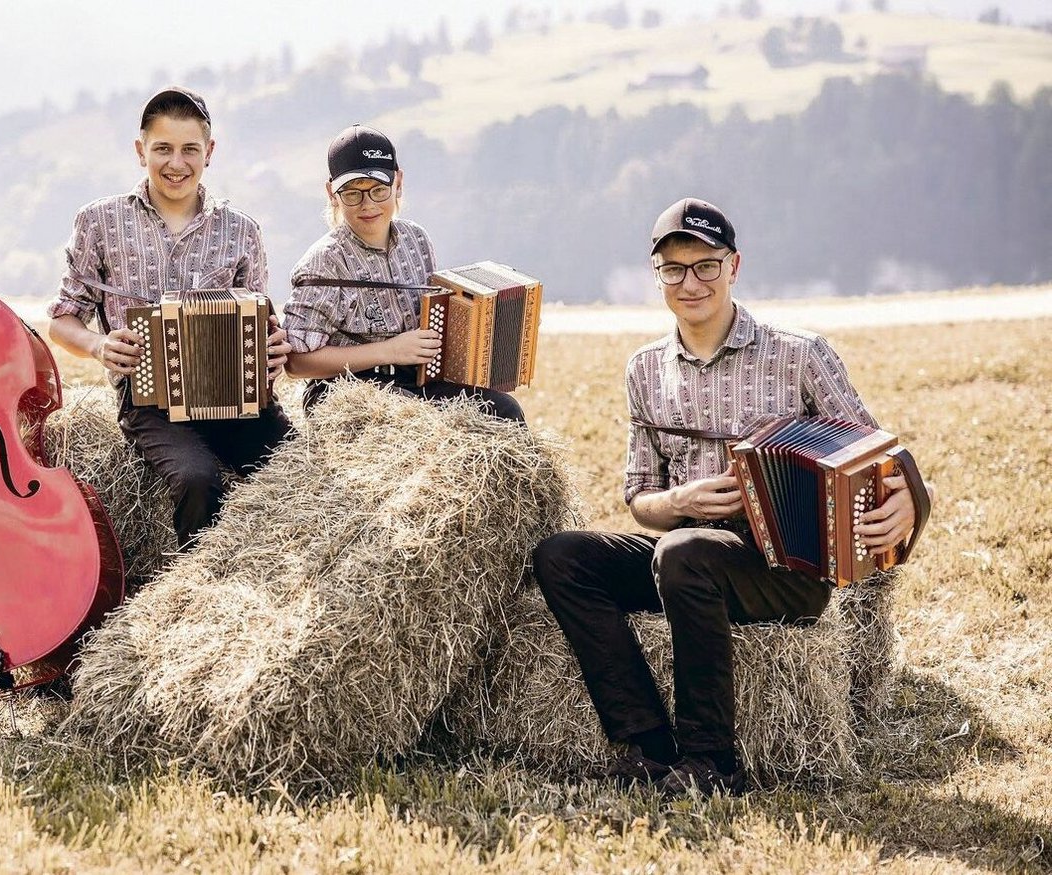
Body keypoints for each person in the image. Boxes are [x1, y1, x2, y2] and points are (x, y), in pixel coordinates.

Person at [532, 198, 919, 795]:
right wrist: (679, 498)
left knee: (683, 553)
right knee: (562, 556)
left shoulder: (799, 354)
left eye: (706, 265)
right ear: (657, 276)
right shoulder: (644, 369)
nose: (691, 283)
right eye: (674, 269)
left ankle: (712, 761)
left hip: (787, 569)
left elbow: (878, 454)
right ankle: (646, 744)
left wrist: (912, 499)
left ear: (734, 267)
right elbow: (640, 497)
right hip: (685, 563)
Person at [47, 86, 293, 552]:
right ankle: (196, 594)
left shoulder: (242, 229)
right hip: (149, 405)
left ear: (210, 153)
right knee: (198, 479)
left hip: (236, 397)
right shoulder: (100, 221)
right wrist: (99, 346)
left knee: (298, 467)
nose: (175, 163)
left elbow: (264, 321)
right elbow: (63, 319)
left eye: (189, 150)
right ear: (141, 151)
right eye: (162, 149)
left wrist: (274, 350)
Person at [282, 124, 524, 421]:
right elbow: (296, 363)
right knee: (414, 423)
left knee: (505, 409)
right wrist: (390, 351)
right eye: (352, 194)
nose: (368, 204)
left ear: (398, 182)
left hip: (415, 380)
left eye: (379, 190)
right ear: (332, 193)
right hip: (347, 391)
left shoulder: (417, 240)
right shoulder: (323, 261)